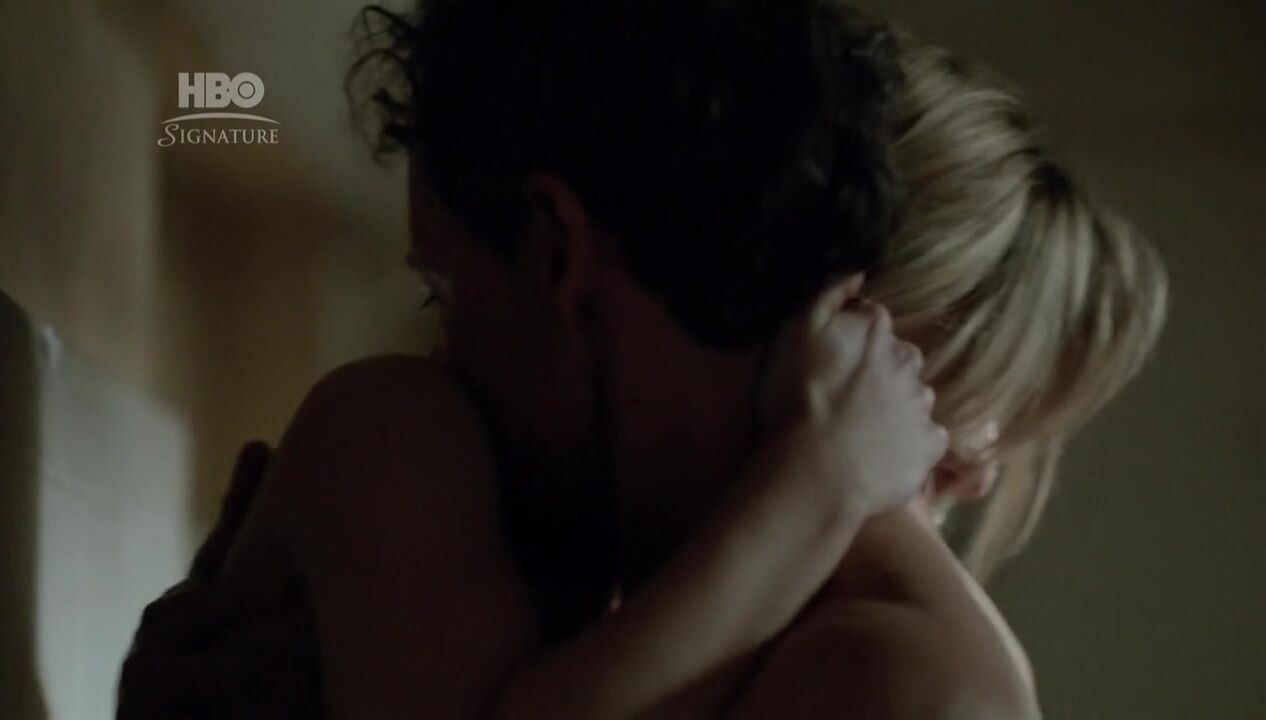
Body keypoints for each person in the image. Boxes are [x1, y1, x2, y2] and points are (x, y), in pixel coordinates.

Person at [117, 2, 1168, 718]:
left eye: (443, 291)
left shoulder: (887, 673)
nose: (440, 345)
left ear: (555, 249)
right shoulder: (496, 503)